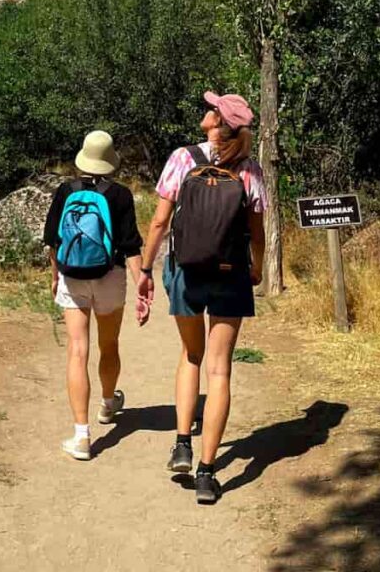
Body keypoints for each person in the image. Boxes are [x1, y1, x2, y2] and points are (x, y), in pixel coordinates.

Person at [137, 92, 266, 503]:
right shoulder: (249, 168)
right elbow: (257, 229)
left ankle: (181, 445)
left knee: (191, 356)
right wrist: (257, 267)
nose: (205, 111)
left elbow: (160, 221)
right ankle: (208, 474)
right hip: (231, 275)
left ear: (216, 122)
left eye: (210, 108)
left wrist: (145, 269)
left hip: (185, 270)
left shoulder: (183, 158)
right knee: (221, 370)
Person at [44, 130, 143, 461]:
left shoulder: (65, 191)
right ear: (111, 160)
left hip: (73, 277)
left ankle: (82, 436)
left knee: (77, 351)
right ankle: (107, 403)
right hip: (110, 276)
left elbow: (52, 241)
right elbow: (130, 246)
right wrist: (142, 283)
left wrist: (55, 274)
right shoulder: (120, 195)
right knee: (109, 343)